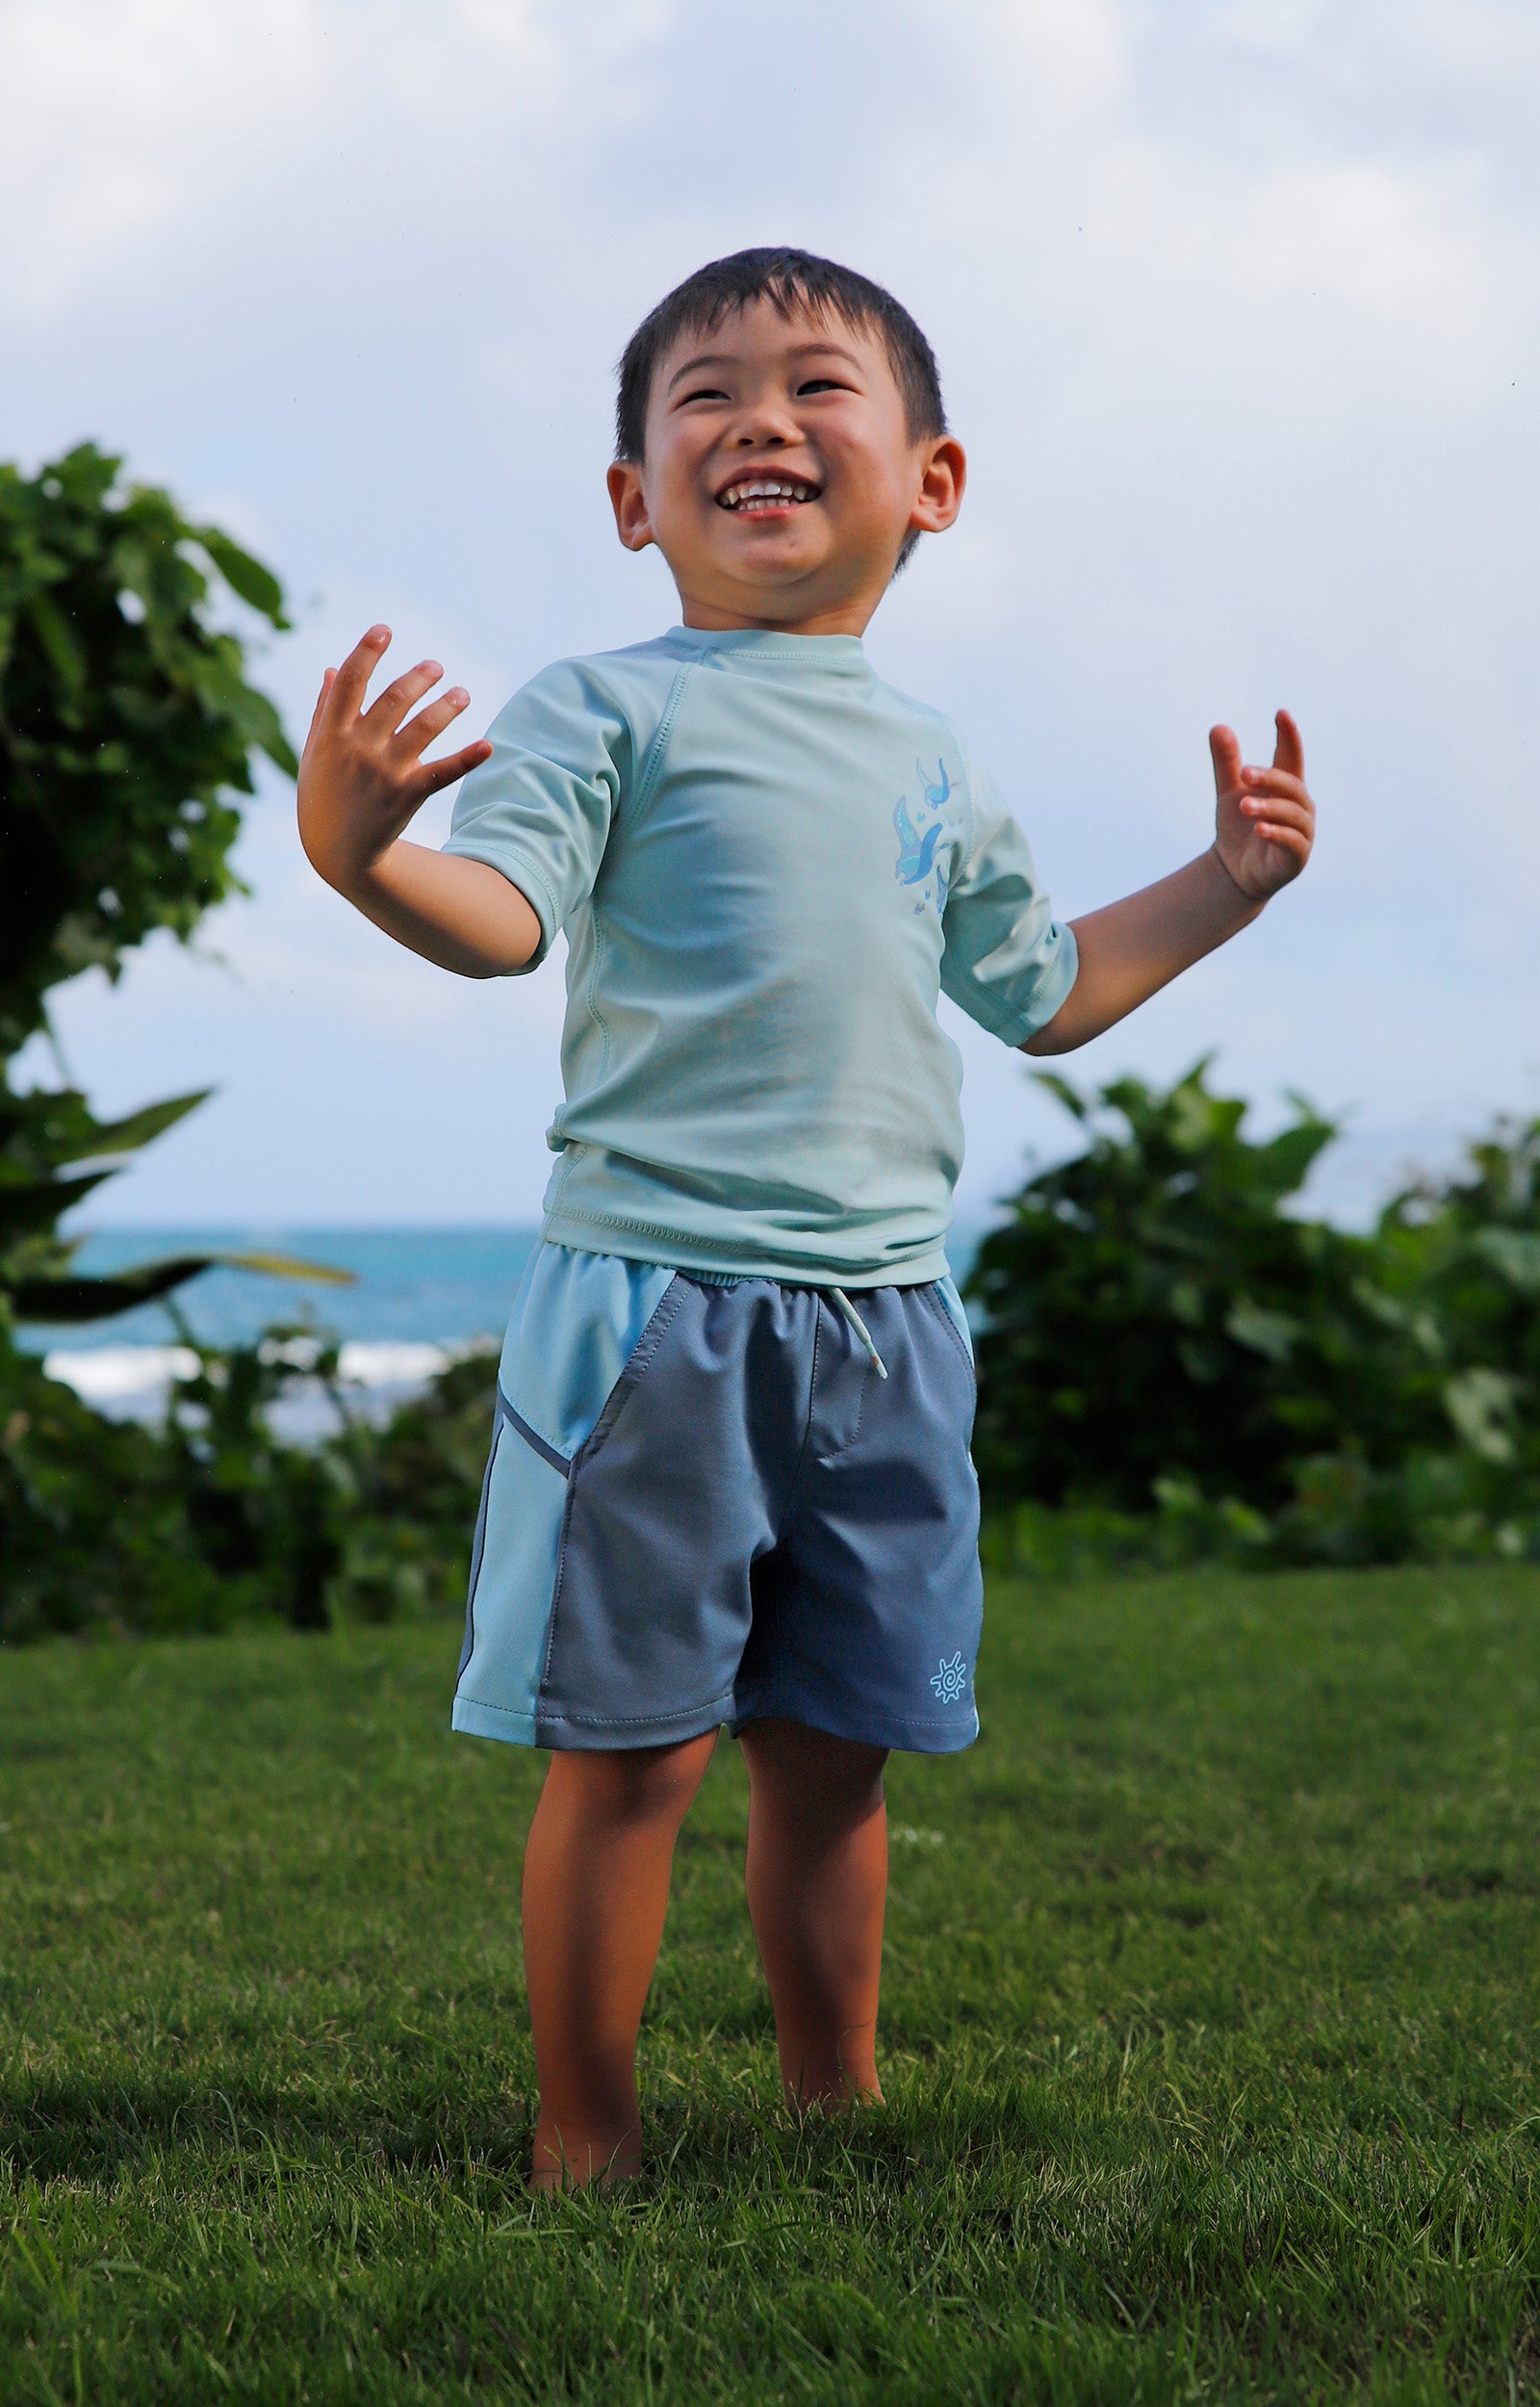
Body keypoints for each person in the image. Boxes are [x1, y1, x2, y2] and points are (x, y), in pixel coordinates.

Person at [296, 247, 1316, 2189]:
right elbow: (502, 920)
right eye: (703, 397)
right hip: (654, 1319)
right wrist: (363, 859)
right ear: (632, 502)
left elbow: (1045, 990)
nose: (757, 418)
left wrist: (1219, 883)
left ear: (929, 478)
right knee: (633, 1751)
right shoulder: (597, 707)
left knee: (836, 1743)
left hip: (883, 1320)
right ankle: (582, 2130)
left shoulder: (933, 758)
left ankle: (827, 2093)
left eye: (813, 386)